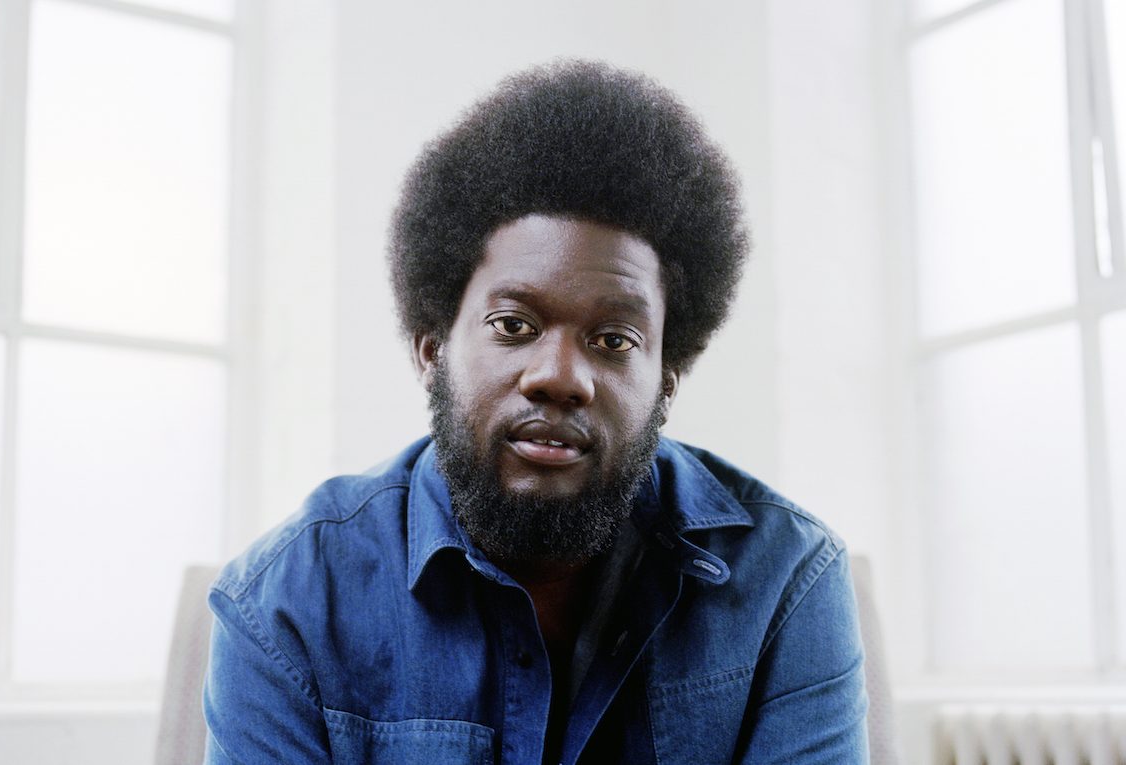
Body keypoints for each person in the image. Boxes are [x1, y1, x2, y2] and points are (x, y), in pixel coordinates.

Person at [202, 60, 868, 764]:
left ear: (667, 381)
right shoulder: (284, 604)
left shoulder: (787, 579)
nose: (559, 377)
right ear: (431, 348)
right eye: (513, 325)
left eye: (615, 340)